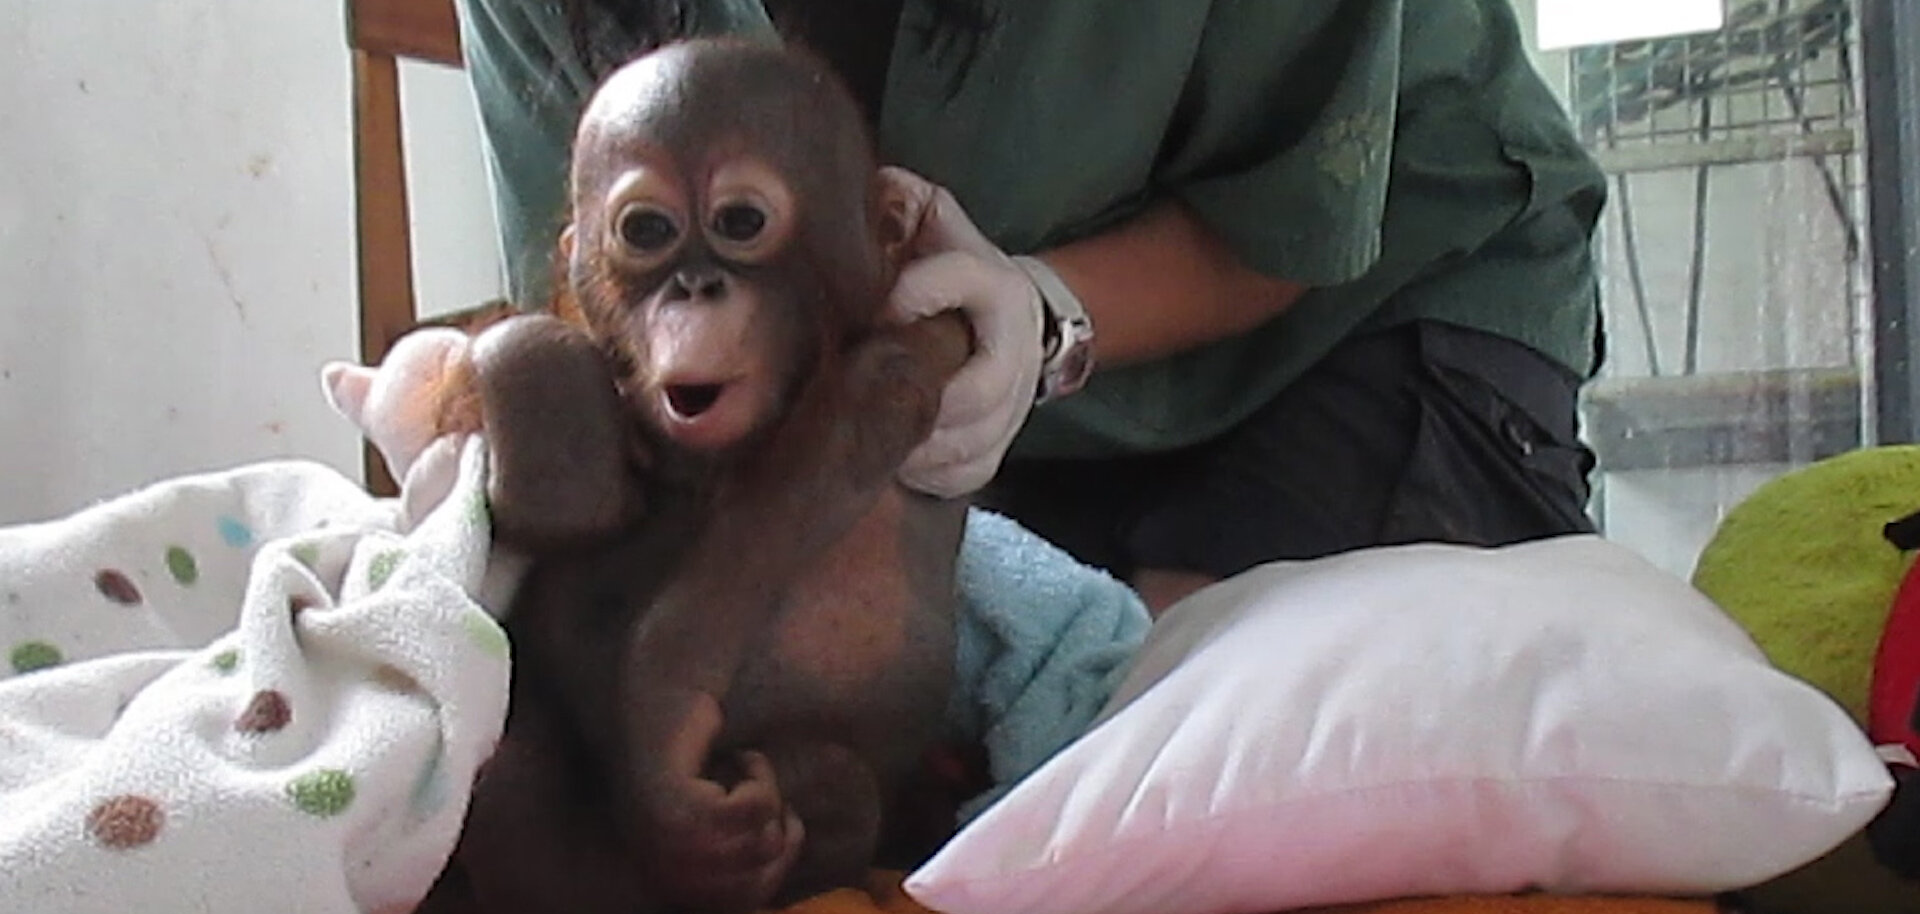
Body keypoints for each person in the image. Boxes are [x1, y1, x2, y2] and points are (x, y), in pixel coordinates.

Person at [454, 0, 1606, 614]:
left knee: (1194, 721)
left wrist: (1042, 314)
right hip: (903, 423)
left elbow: (1291, 212)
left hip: (1360, 302)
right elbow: (603, 312)